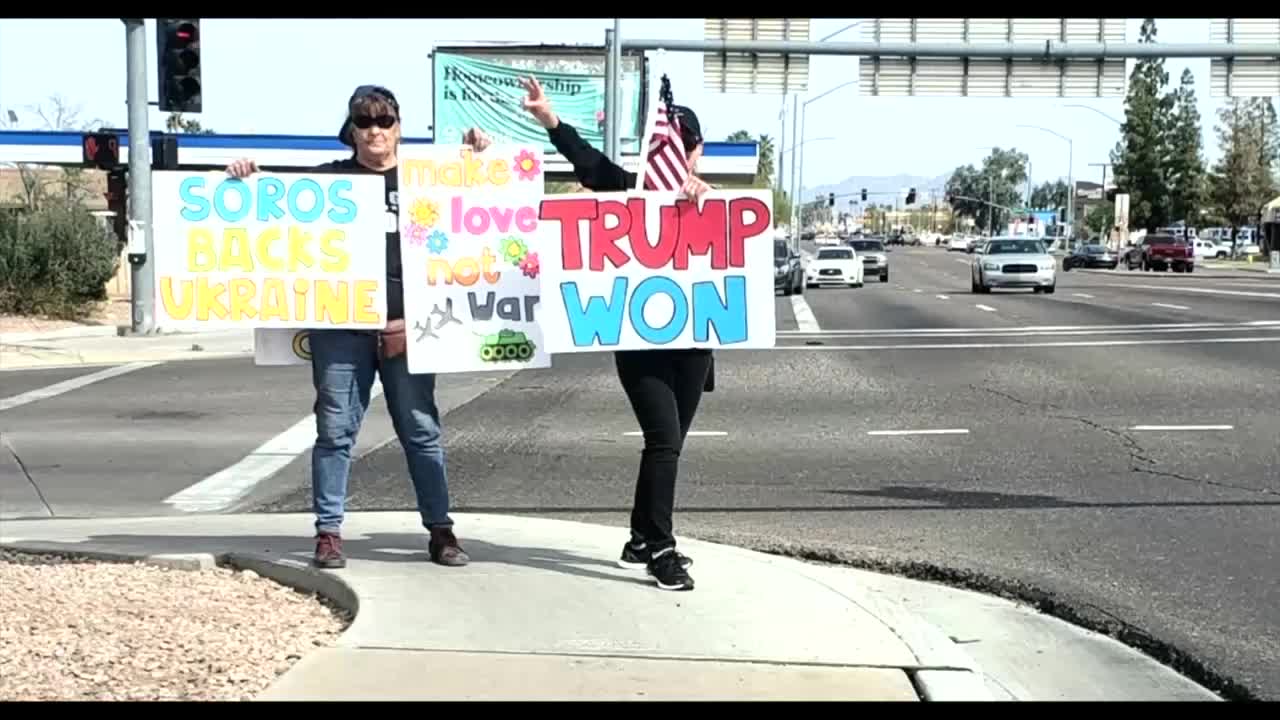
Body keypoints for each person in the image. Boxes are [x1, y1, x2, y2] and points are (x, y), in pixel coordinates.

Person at [226, 85, 493, 569]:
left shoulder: (426, 180)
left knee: (421, 431)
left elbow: (485, 204)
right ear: (351, 130)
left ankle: (441, 530)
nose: (375, 129)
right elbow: (276, 210)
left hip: (407, 328)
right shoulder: (328, 185)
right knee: (334, 432)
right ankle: (328, 533)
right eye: (364, 121)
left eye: (384, 120)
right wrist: (248, 178)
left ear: (399, 128)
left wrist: (478, 156)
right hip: (341, 330)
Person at [517, 75, 712, 591]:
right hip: (640, 345)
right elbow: (587, 161)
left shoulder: (715, 206)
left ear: (695, 152)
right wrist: (548, 119)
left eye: (682, 146)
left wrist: (705, 201)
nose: (673, 154)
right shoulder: (629, 191)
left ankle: (640, 536)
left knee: (667, 448)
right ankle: (662, 550)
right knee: (664, 441)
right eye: (664, 145)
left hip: (693, 348)